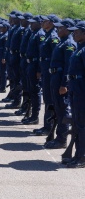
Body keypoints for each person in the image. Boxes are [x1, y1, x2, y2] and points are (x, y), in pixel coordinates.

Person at [44, 18, 76, 149]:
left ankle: (62, 139)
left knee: (62, 109)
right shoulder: (62, 42)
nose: (58, 30)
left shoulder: (69, 44)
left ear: (68, 29)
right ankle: (58, 137)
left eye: (61, 28)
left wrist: (64, 84)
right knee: (57, 107)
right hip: (55, 77)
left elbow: (69, 66)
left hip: (61, 79)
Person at [66, 21, 85, 168]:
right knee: (78, 124)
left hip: (81, 90)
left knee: (82, 125)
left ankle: (82, 157)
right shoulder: (79, 48)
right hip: (75, 88)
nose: (74, 34)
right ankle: (77, 154)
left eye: (77, 32)